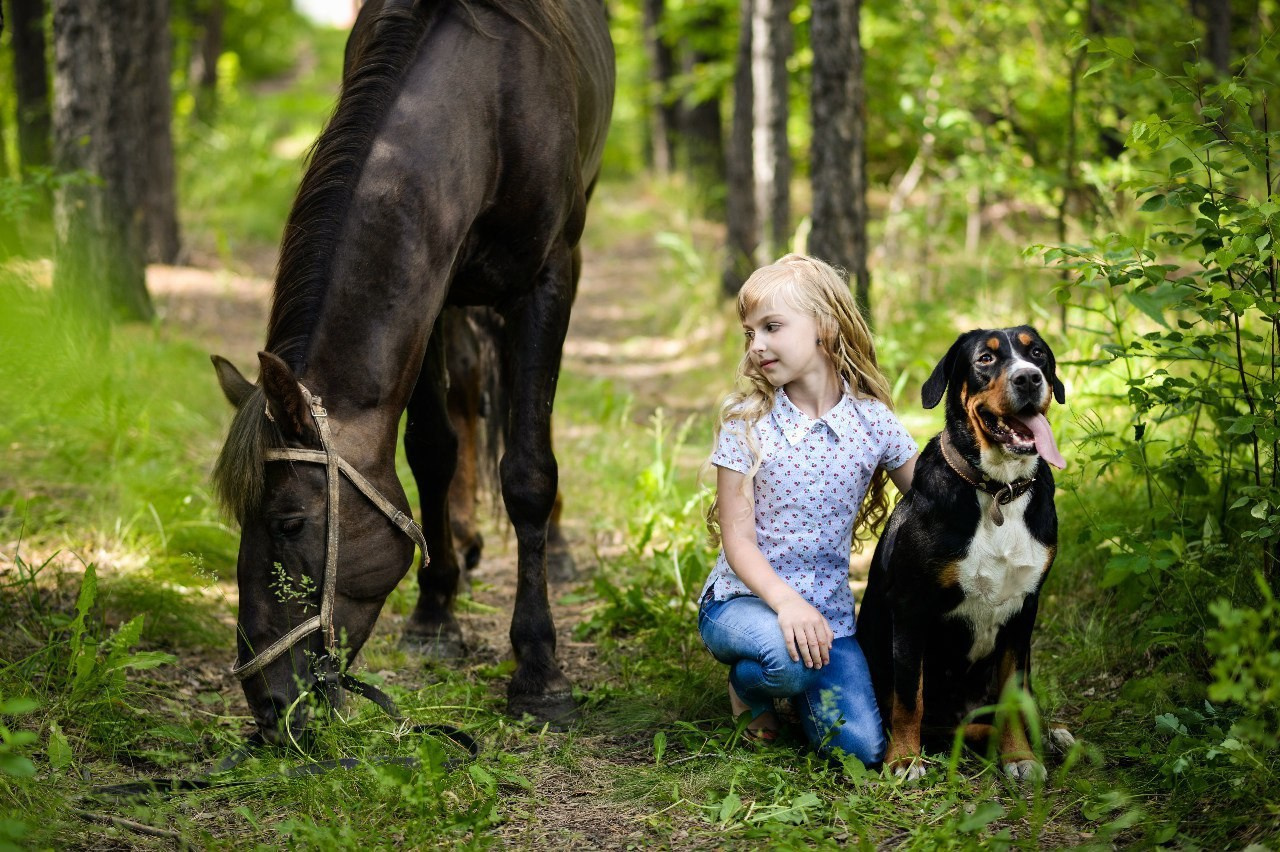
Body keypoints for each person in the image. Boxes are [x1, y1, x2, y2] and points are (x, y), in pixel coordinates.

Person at [698, 253, 918, 765]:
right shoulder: (747, 422)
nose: (757, 346)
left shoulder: (873, 422)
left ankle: (800, 685)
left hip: (828, 617)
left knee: (860, 750)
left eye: (772, 327)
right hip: (742, 602)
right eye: (749, 333)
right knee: (786, 661)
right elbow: (738, 540)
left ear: (825, 325)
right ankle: (750, 688)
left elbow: (928, 493)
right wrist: (787, 604)